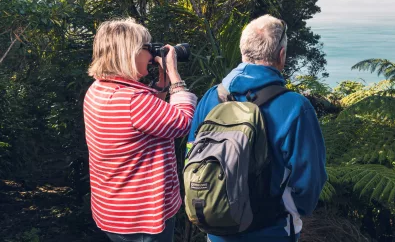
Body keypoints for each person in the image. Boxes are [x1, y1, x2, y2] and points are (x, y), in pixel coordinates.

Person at [188, 15, 327, 241]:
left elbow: (191, 153)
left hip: (217, 229)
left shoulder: (211, 98)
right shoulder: (295, 107)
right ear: (281, 56)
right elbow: (309, 181)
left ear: (243, 52)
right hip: (273, 230)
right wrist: (293, 210)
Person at [83, 18, 197, 242]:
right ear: (130, 53)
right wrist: (174, 76)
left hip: (114, 212)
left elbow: (148, 119)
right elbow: (184, 122)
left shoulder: (99, 89)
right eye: (147, 47)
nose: (151, 54)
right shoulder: (134, 101)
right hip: (142, 220)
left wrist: (162, 82)